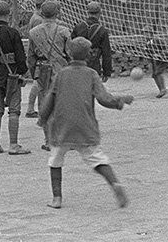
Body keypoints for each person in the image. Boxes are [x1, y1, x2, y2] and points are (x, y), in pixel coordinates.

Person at [38, 37, 134, 209]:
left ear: (69, 53)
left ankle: (57, 198)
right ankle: (114, 183)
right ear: (89, 55)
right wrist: (120, 101)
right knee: (96, 158)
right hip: (84, 125)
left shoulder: (61, 74)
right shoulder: (91, 74)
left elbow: (50, 98)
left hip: (62, 126)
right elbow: (103, 98)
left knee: (55, 160)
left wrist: (42, 117)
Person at [0, 0, 30, 155]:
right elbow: (21, 56)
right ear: (8, 13)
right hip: (12, 74)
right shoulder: (13, 33)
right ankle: (13, 145)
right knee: (14, 110)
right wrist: (22, 72)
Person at [28, 0, 71, 151]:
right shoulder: (64, 31)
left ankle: (48, 140)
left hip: (42, 71)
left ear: (41, 13)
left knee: (44, 105)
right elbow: (70, 54)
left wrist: (34, 74)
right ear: (57, 13)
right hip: (61, 70)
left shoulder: (33, 33)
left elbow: (31, 57)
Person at [71, 1, 112, 83]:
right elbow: (106, 53)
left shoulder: (78, 27)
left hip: (78, 64)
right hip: (94, 65)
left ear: (87, 12)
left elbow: (71, 46)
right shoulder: (102, 30)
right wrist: (106, 72)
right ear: (100, 13)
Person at [25, 0, 46, 118]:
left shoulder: (35, 17)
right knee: (38, 82)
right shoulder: (38, 20)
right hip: (38, 53)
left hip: (34, 51)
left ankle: (31, 108)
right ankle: (31, 108)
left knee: (37, 82)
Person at [143, 25, 168, 98]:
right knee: (154, 74)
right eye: (144, 33)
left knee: (158, 72)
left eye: (147, 33)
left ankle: (163, 89)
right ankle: (161, 90)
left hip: (163, 59)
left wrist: (160, 55)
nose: (145, 35)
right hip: (155, 61)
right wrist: (150, 63)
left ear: (151, 33)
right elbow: (148, 55)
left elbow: (167, 49)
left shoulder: (157, 40)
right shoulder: (147, 43)